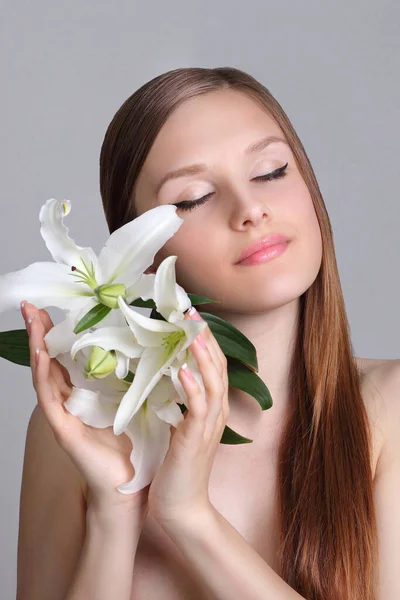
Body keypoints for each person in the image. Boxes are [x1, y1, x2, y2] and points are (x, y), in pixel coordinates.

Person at [16, 67, 399, 600]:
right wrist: (116, 509)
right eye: (194, 197)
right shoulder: (82, 424)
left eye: (271, 171)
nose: (250, 210)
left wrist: (189, 517)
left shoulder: (388, 408)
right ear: (143, 254)